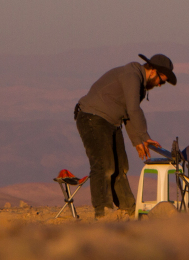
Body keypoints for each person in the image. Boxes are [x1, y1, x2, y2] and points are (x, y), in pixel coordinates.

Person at [74, 53, 177, 217]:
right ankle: (103, 213)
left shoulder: (140, 86)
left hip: (111, 122)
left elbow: (128, 115)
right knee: (104, 165)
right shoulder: (132, 75)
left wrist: (137, 141)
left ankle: (128, 210)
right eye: (161, 80)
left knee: (121, 167)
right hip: (93, 117)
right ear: (153, 71)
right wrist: (144, 136)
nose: (159, 85)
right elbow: (134, 110)